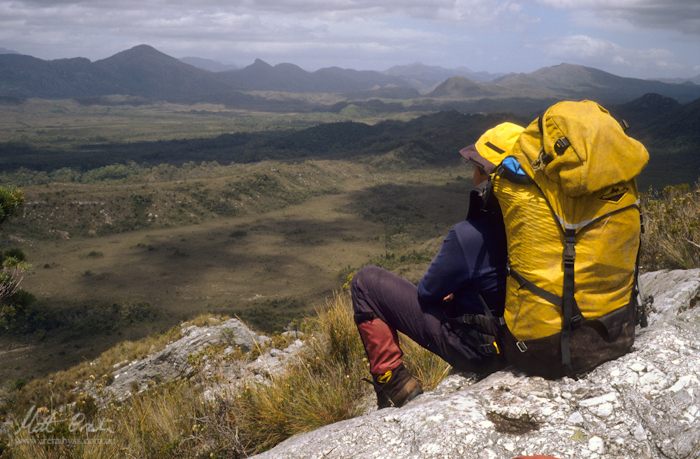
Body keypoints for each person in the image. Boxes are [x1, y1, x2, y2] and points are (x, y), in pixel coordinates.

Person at [351, 122, 524, 409]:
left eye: (478, 168)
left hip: (485, 352)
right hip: (533, 340)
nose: (473, 176)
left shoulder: (468, 235)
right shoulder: (546, 227)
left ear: (491, 179)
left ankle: (393, 381)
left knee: (366, 283)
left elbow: (428, 292)